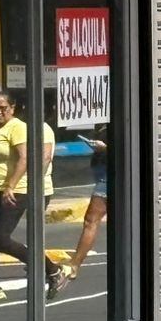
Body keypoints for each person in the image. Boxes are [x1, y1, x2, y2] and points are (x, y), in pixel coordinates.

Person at [0, 92, 60, 301]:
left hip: (15, 190)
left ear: (12, 108)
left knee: (0, 237)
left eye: (2, 107)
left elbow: (25, 159)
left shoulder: (18, 127)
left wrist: (10, 186)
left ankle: (51, 269)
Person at [50, 127, 109, 299]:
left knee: (91, 220)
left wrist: (105, 148)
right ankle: (75, 263)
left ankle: (75, 264)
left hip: (110, 173)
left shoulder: (122, 113)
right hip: (103, 171)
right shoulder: (106, 118)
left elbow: (132, 145)